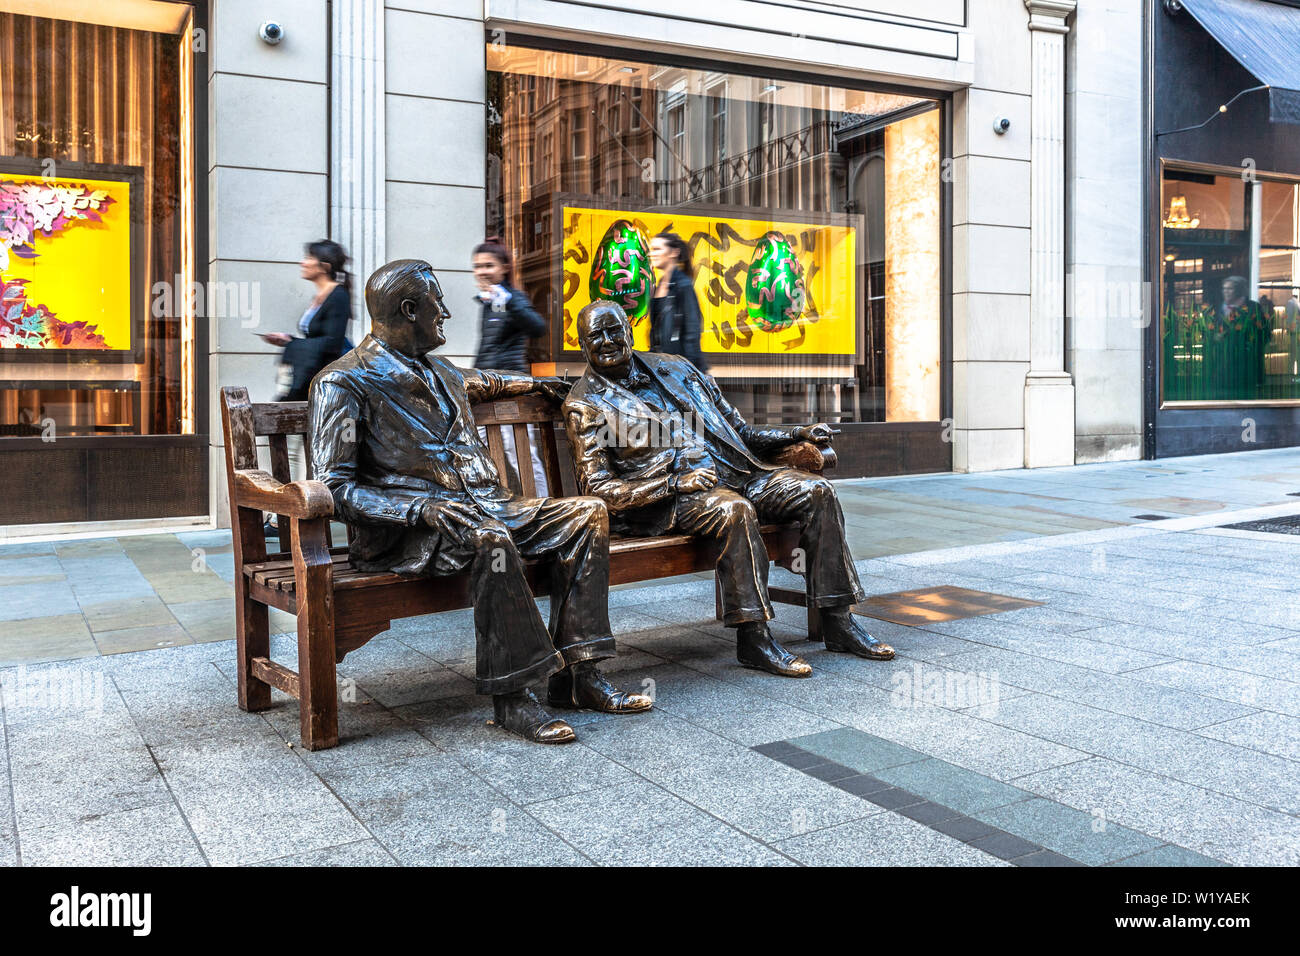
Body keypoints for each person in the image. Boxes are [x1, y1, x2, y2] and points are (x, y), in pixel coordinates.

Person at [309, 260, 651, 745]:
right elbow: (333, 487)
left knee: (587, 513)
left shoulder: (442, 371)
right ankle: (514, 697)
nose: (445, 312)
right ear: (409, 311)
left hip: (488, 504)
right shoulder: (343, 382)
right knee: (491, 540)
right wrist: (417, 510)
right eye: (436, 305)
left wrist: (540, 385)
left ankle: (580, 674)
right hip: (411, 532)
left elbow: (490, 381)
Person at [563, 300, 894, 680]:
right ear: (582, 343)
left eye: (613, 331)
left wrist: (795, 434)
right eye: (596, 336)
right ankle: (754, 638)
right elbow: (599, 487)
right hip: (671, 500)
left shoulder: (677, 367)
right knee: (733, 511)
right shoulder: (584, 403)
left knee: (817, 491)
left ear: (630, 330)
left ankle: (838, 620)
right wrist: (672, 483)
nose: (607, 341)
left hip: (742, 474)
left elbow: (741, 432)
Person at [471, 240, 548, 492]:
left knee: (521, 453)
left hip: (509, 389)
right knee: (480, 451)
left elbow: (537, 327)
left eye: (488, 265)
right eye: (477, 266)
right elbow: (486, 347)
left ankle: (544, 506)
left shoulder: (512, 297)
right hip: (485, 390)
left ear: (504, 267)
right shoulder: (489, 301)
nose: (482, 271)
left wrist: (506, 299)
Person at [261, 240, 353, 403]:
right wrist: (288, 340)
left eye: (309, 258)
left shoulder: (338, 295)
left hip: (326, 381)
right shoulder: (319, 297)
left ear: (325, 266)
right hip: (311, 373)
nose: (302, 262)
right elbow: (318, 341)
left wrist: (291, 343)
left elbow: (333, 343)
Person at [648, 231, 708, 371]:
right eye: (652, 250)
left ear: (673, 253)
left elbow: (692, 333)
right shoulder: (659, 286)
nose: (652, 254)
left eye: (657, 249)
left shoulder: (683, 285)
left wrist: (688, 371)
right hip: (662, 368)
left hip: (680, 370)